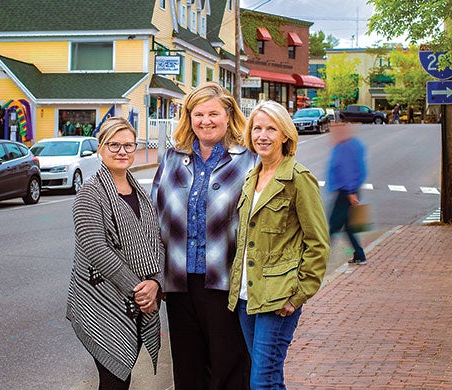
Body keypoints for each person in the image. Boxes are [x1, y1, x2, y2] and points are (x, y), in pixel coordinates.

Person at [151, 81, 258, 389]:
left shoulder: (248, 160)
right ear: (189, 118)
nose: (206, 121)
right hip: (179, 281)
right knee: (187, 366)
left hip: (226, 281)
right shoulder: (173, 158)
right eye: (198, 114)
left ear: (228, 116)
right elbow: (156, 216)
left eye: (213, 113)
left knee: (229, 366)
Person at [227, 100, 330, 389]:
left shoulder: (298, 179)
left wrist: (297, 295)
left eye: (271, 129)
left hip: (279, 298)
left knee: (262, 381)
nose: (263, 135)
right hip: (248, 295)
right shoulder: (251, 177)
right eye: (257, 128)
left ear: (285, 134)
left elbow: (318, 243)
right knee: (269, 377)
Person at [67, 117, 165, 389]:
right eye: (114, 145)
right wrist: (141, 290)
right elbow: (96, 249)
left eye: (128, 145)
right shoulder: (90, 193)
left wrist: (156, 283)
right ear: (100, 148)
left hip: (135, 303)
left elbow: (157, 241)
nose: (122, 151)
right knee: (114, 377)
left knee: (123, 376)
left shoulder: (141, 193)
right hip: (101, 301)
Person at [327, 123, 368, 264]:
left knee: (333, 225)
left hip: (346, 192)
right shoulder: (353, 144)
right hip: (349, 190)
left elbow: (347, 170)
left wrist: (350, 192)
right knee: (349, 227)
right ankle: (359, 255)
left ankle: (320, 256)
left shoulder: (345, 147)